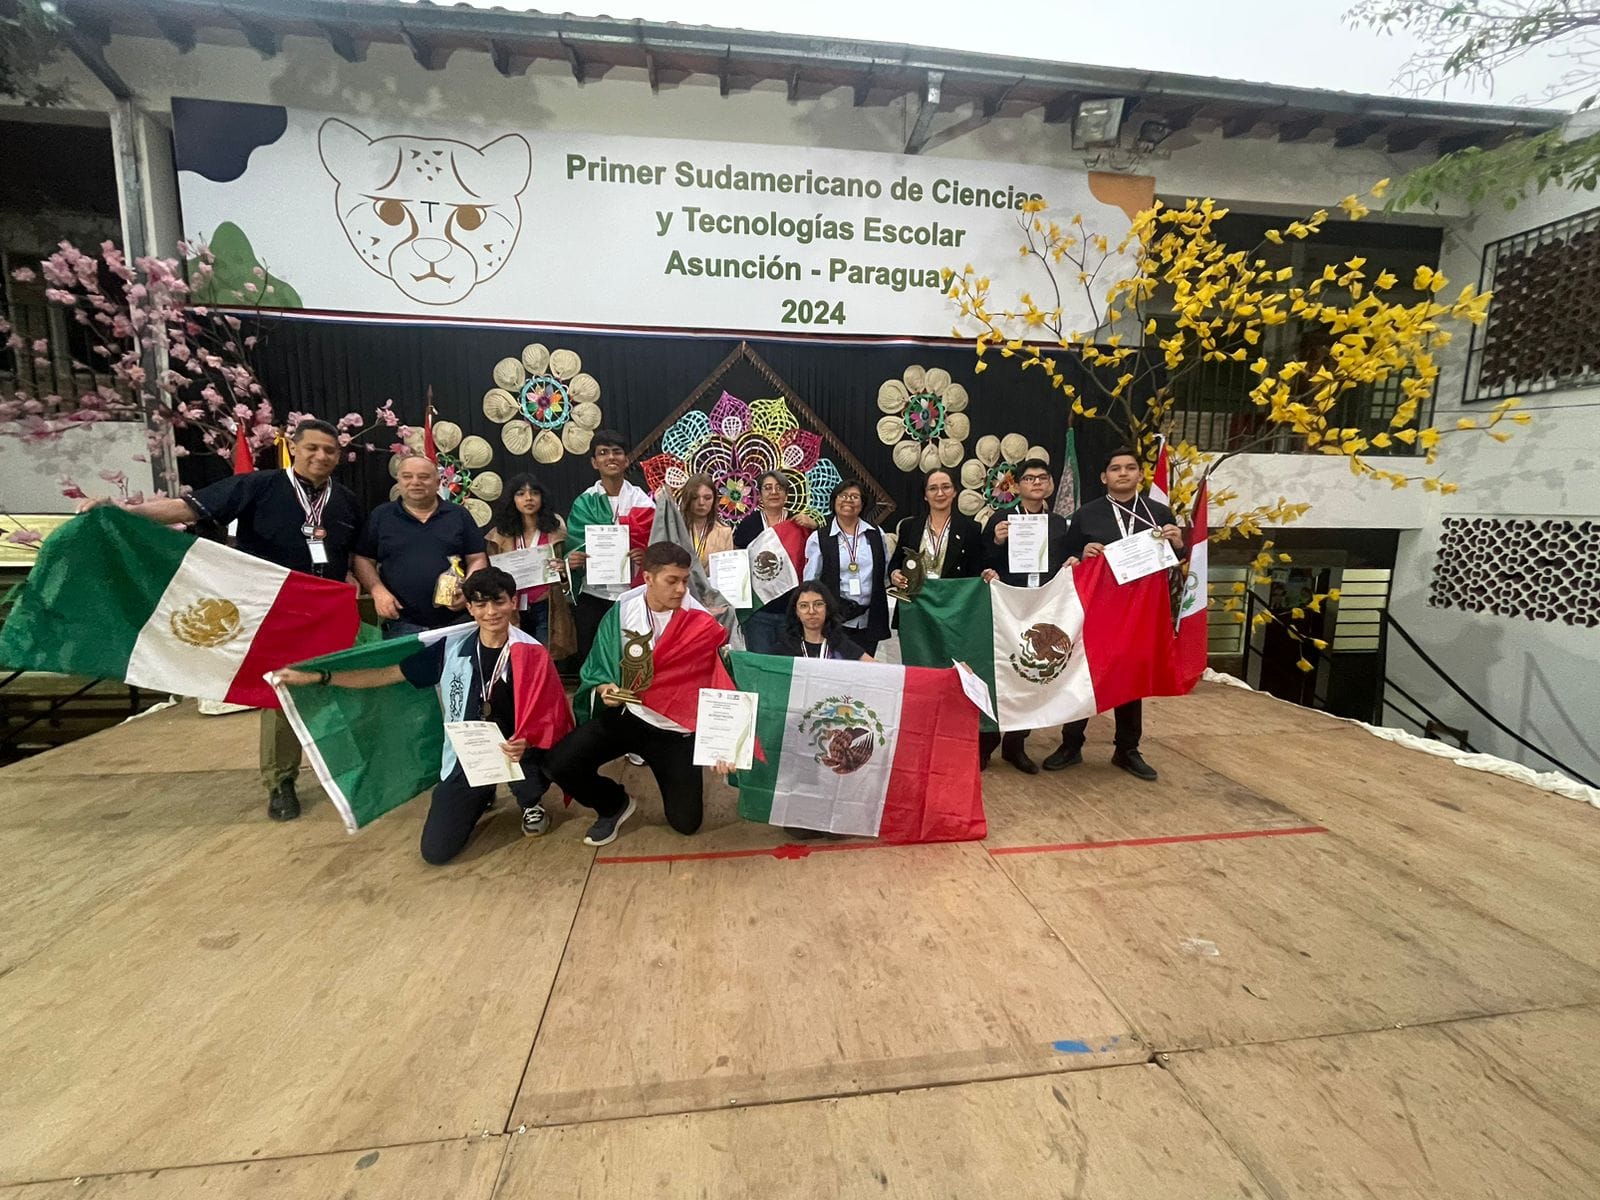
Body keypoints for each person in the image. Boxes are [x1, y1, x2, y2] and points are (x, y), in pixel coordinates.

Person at [79, 418, 363, 822]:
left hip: (328, 610)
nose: (321, 456)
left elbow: (352, 555)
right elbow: (186, 509)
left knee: (338, 689)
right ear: (294, 448)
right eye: (313, 448)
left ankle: (339, 769)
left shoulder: (346, 500)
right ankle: (281, 781)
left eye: (330, 451)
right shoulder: (257, 485)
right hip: (276, 611)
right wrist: (125, 511)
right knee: (282, 696)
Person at [274, 567, 573, 863]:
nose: (491, 612)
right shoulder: (451, 650)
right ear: (468, 607)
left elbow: (551, 715)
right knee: (436, 851)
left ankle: (531, 800)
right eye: (480, 604)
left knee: (532, 768)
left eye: (498, 602)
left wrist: (528, 741)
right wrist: (321, 678)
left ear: (512, 602)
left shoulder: (531, 653)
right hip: (467, 755)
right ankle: (480, 793)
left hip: (517, 751)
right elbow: (387, 674)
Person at [546, 542, 729, 847]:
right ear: (647, 578)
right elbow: (598, 667)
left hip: (675, 732)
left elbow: (720, 684)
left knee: (687, 823)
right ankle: (613, 804)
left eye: (685, 580)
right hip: (629, 716)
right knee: (559, 763)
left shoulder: (700, 621)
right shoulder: (622, 611)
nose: (681, 589)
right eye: (672, 581)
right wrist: (604, 688)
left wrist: (721, 743)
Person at [1042, 446, 1186, 781]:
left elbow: (1175, 560)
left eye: (1130, 468)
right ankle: (1071, 744)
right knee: (1083, 672)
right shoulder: (1087, 514)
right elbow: (1065, 556)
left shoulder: (1158, 513)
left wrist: (1178, 543)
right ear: (1104, 477)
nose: (1123, 473)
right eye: (1116, 468)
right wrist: (1082, 551)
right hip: (1098, 609)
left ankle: (1127, 749)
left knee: (1131, 677)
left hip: (1141, 612)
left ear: (1139, 475)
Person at [978, 458, 1076, 774]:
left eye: (1042, 478)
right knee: (1003, 671)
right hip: (1009, 604)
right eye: (1029, 478)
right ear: (1017, 486)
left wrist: (1072, 562)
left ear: (1048, 484)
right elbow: (982, 560)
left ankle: (1016, 746)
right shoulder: (1002, 518)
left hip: (1045, 604)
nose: (1036, 483)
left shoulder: (1059, 523)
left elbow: (1065, 559)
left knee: (1032, 674)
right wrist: (996, 542)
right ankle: (985, 745)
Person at [353, 455, 487, 638]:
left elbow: (477, 558)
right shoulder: (381, 516)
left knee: (458, 668)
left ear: (438, 481)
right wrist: (377, 591)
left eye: (424, 477)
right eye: (407, 476)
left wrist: (468, 591)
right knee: (406, 668)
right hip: (401, 622)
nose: (415, 482)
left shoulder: (458, 515)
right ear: (398, 480)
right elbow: (363, 559)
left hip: (456, 621)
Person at [565, 430, 654, 662]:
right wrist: (572, 560)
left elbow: (658, 546)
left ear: (626, 460)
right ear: (594, 462)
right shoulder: (585, 502)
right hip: (593, 596)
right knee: (594, 660)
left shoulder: (642, 501)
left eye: (617, 452)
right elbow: (571, 548)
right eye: (603, 453)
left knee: (632, 658)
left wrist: (644, 555)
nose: (610, 457)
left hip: (633, 595)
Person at [803, 478, 889, 657]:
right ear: (834, 501)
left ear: (863, 503)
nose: (848, 500)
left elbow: (885, 571)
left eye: (855, 496)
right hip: (835, 621)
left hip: (869, 619)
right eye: (843, 495)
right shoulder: (819, 537)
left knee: (865, 673)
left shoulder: (876, 534)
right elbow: (810, 583)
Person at [485, 474, 566, 644]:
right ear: (512, 499)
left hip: (547, 605)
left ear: (542, 497)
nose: (528, 498)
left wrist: (564, 568)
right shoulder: (499, 535)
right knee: (518, 655)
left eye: (534, 493)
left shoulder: (556, 530)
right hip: (512, 607)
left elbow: (569, 571)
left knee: (544, 657)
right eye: (520, 494)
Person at [890, 467, 984, 589]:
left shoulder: (971, 529)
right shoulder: (908, 527)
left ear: (955, 491)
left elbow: (976, 570)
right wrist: (894, 574)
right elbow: (896, 563)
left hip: (953, 601)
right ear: (925, 495)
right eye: (933, 488)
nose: (940, 493)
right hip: (916, 601)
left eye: (946, 487)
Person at [780, 581, 874, 661]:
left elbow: (877, 668)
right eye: (804, 606)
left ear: (827, 608)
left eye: (818, 604)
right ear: (796, 611)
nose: (811, 611)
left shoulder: (841, 644)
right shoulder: (784, 648)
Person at [732, 470, 817, 548]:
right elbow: (739, 554)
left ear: (786, 496)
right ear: (760, 496)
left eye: (779, 488)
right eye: (768, 488)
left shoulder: (798, 522)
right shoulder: (749, 523)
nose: (774, 492)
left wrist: (815, 527)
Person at [678, 472, 734, 569]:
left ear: (714, 499)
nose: (701, 503)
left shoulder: (724, 532)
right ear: (687, 499)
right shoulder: (676, 529)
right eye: (695, 498)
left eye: (707, 498)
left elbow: (727, 570)